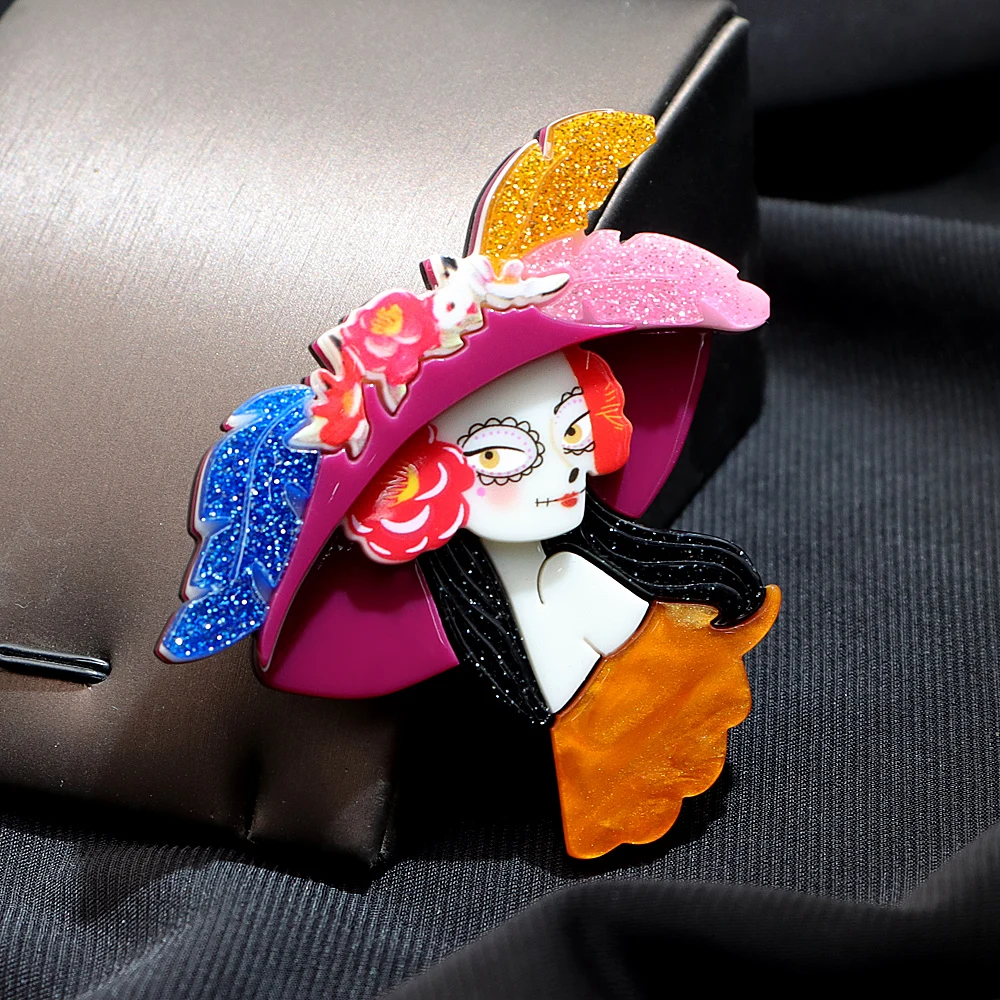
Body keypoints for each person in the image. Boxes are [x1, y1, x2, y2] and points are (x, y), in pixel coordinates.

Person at [159, 109, 779, 858]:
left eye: (574, 429)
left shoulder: (578, 578)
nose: (561, 472)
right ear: (418, 490)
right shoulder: (558, 592)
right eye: (500, 456)